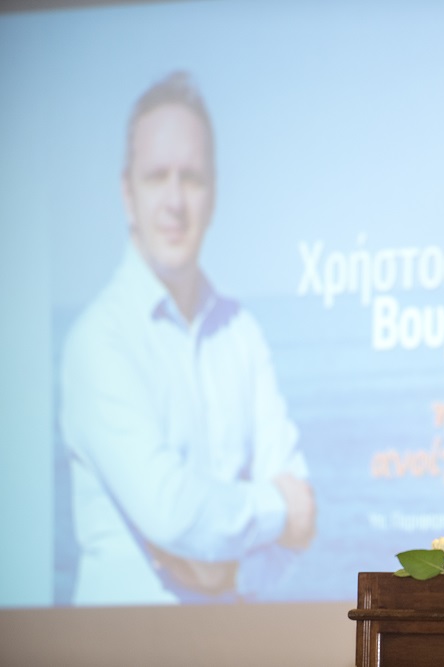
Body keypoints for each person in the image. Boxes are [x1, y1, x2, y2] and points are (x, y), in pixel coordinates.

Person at [60, 71, 316, 604]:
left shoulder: (242, 334)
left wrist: (230, 575)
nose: (175, 201)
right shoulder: (98, 342)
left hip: (234, 640)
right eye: (157, 177)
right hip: (116, 645)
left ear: (214, 194)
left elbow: (303, 521)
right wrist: (276, 508)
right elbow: (173, 513)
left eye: (192, 178)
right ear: (127, 194)